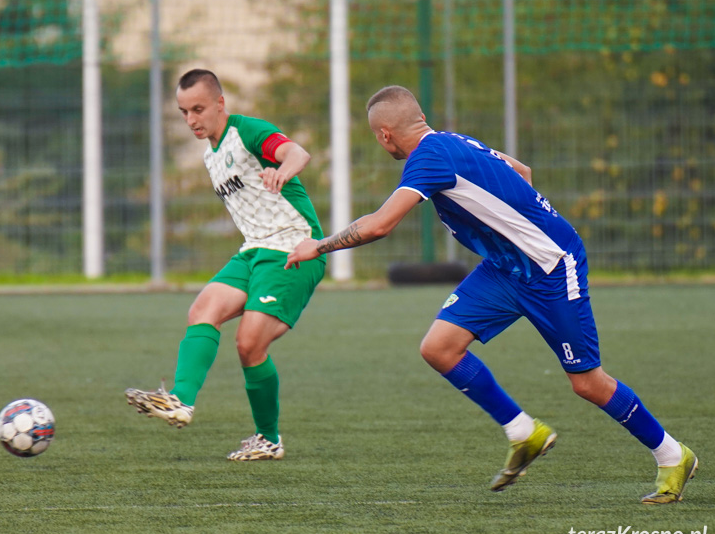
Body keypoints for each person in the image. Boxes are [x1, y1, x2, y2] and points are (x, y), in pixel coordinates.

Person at [285, 85, 697, 503]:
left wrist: (317, 246)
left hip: (551, 266)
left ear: (385, 135)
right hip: (505, 268)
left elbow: (378, 225)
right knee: (439, 348)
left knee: (587, 382)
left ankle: (672, 455)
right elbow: (523, 172)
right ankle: (524, 432)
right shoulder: (455, 140)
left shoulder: (429, 159)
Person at [125, 69, 325, 461]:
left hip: (292, 247)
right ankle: (180, 400)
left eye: (198, 109)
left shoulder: (247, 131)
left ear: (220, 103)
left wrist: (281, 170)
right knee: (202, 310)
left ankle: (269, 438)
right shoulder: (209, 155)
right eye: (184, 112)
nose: (191, 120)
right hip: (254, 250)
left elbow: (297, 152)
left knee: (249, 344)